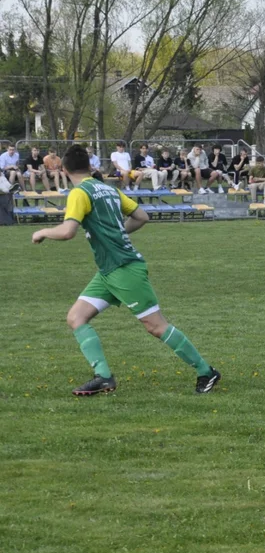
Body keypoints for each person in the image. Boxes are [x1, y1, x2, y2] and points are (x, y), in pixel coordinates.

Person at [30, 144, 221, 396]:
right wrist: (118, 232)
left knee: (155, 326)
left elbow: (67, 231)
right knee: (76, 318)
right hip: (109, 271)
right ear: (90, 166)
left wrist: (42, 232)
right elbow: (142, 216)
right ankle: (103, 377)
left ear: (64, 170)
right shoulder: (107, 189)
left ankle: (206, 371)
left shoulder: (79, 193)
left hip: (124, 268)